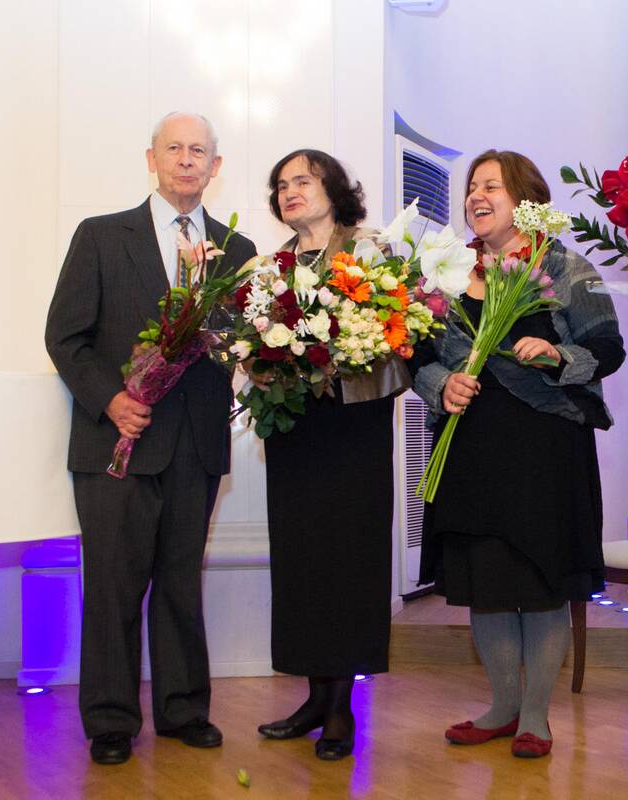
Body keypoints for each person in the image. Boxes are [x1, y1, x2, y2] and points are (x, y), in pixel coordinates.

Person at [45, 112, 257, 766]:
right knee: (113, 585)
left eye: (198, 151)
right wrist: (112, 400)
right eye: (174, 148)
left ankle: (184, 709)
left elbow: (241, 345)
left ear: (215, 167)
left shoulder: (239, 252)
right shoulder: (102, 236)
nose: (186, 159)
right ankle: (110, 720)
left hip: (196, 444)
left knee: (179, 584)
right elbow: (65, 337)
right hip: (117, 442)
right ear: (151, 159)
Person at [411, 150, 624, 758]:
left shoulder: (567, 267)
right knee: (487, 583)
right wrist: (440, 385)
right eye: (472, 187)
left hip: (545, 451)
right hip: (469, 449)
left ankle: (535, 716)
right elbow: (415, 355)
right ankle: (502, 706)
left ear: (525, 201)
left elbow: (609, 350)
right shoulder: (446, 273)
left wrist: (557, 355)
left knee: (541, 580)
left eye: (492, 186)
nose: (476, 196)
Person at [255, 149, 409, 761]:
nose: (289, 191)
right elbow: (255, 342)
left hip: (353, 427)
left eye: (303, 180)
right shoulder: (271, 267)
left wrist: (347, 346)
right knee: (303, 563)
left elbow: (405, 334)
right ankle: (315, 699)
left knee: (349, 561)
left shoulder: (372, 252)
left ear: (334, 188)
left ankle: (342, 707)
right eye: (281, 185)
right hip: (295, 431)